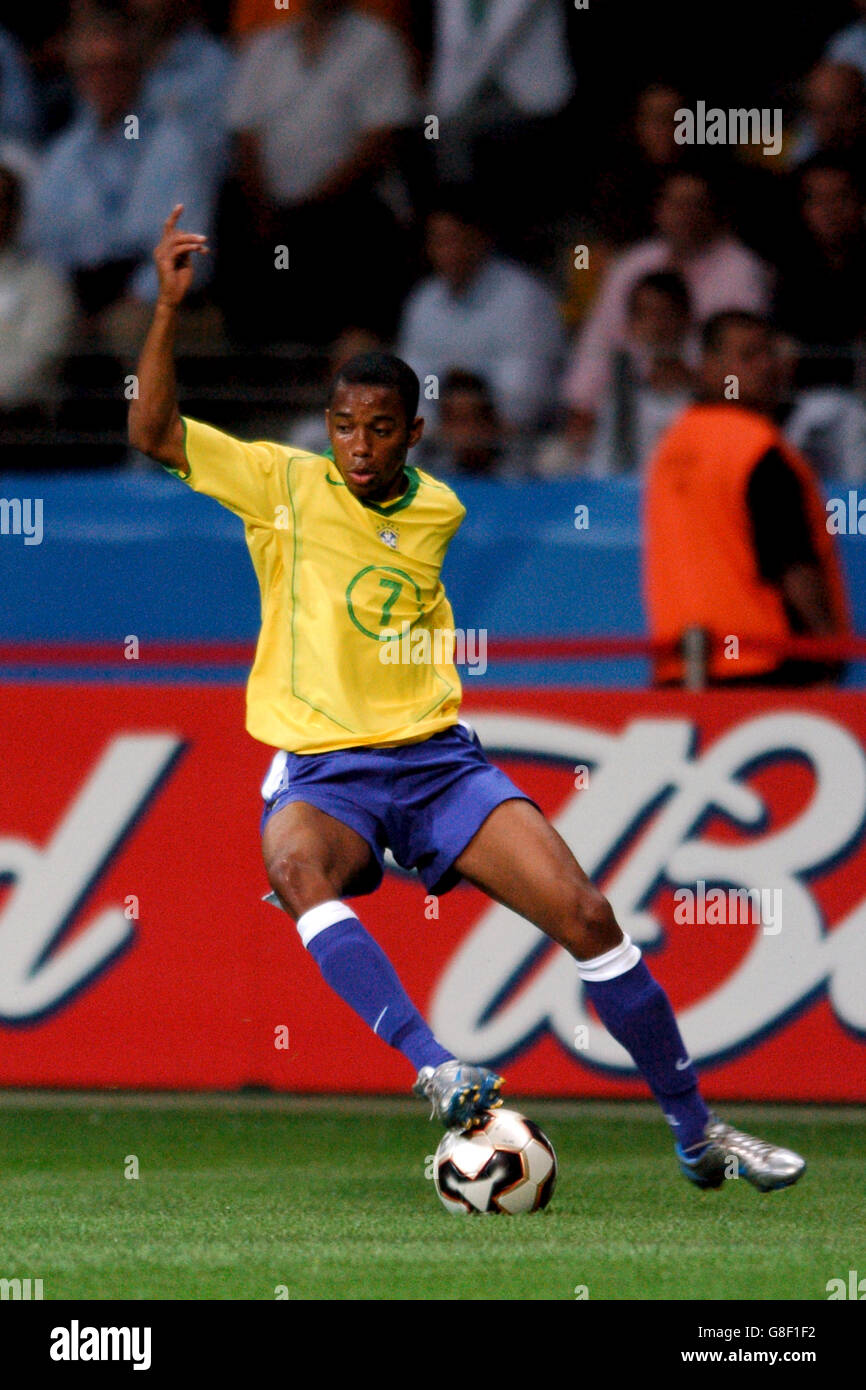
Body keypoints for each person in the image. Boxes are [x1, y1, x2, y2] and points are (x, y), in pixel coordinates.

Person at [128, 205, 807, 1195]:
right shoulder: (277, 482)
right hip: (327, 772)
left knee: (585, 912)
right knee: (295, 865)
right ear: (327, 429)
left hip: (438, 762)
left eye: (379, 429)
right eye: (344, 427)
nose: (357, 447)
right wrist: (164, 308)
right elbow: (150, 430)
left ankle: (697, 1133)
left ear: (413, 433)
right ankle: (436, 1068)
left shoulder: (438, 508)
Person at [644, 311, 851, 688]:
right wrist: (831, 648)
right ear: (708, 366)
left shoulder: (671, 448)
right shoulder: (757, 450)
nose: (767, 366)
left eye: (770, 353)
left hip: (683, 668)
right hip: (765, 664)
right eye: (750, 356)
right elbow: (792, 564)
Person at [561, 167, 772, 449]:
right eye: (676, 204)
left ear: (715, 211)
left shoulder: (742, 269)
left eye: (696, 205)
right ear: (658, 210)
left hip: (709, 405)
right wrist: (583, 406)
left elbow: (744, 360)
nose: (686, 214)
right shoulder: (632, 264)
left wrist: (692, 382)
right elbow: (599, 343)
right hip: (626, 401)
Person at [397, 191, 565, 431]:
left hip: (519, 444)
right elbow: (420, 384)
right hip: (439, 442)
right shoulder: (424, 301)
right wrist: (438, 421)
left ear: (480, 238)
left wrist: (473, 418)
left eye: (454, 239)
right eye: (438, 241)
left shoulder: (522, 297)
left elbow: (524, 397)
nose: (446, 252)